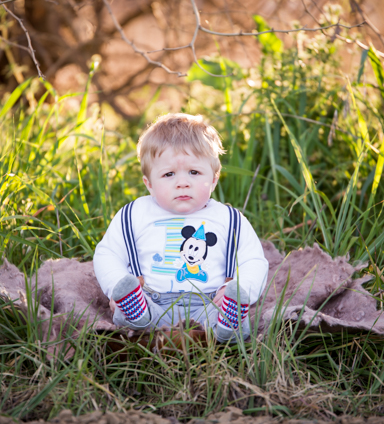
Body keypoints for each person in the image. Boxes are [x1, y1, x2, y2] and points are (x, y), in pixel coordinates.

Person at [93, 113, 268, 342]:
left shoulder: (229, 219)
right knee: (140, 315)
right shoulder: (134, 215)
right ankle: (133, 310)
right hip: (152, 300)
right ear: (150, 184)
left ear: (214, 179)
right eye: (168, 174)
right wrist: (117, 284)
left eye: (194, 172)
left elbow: (252, 260)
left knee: (218, 317)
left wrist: (240, 287)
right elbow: (107, 254)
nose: (182, 182)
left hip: (209, 301)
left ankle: (230, 321)